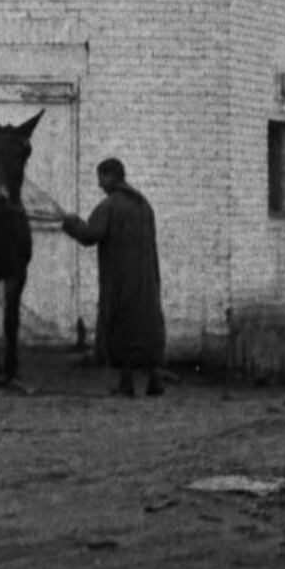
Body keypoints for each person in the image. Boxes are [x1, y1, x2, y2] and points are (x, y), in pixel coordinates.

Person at [58, 155, 165, 396]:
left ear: (110, 176)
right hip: (147, 281)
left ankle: (126, 384)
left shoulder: (110, 206)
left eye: (100, 178)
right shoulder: (144, 204)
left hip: (120, 280)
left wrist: (71, 223)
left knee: (122, 327)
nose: (99, 185)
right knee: (147, 327)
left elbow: (90, 235)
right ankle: (155, 381)